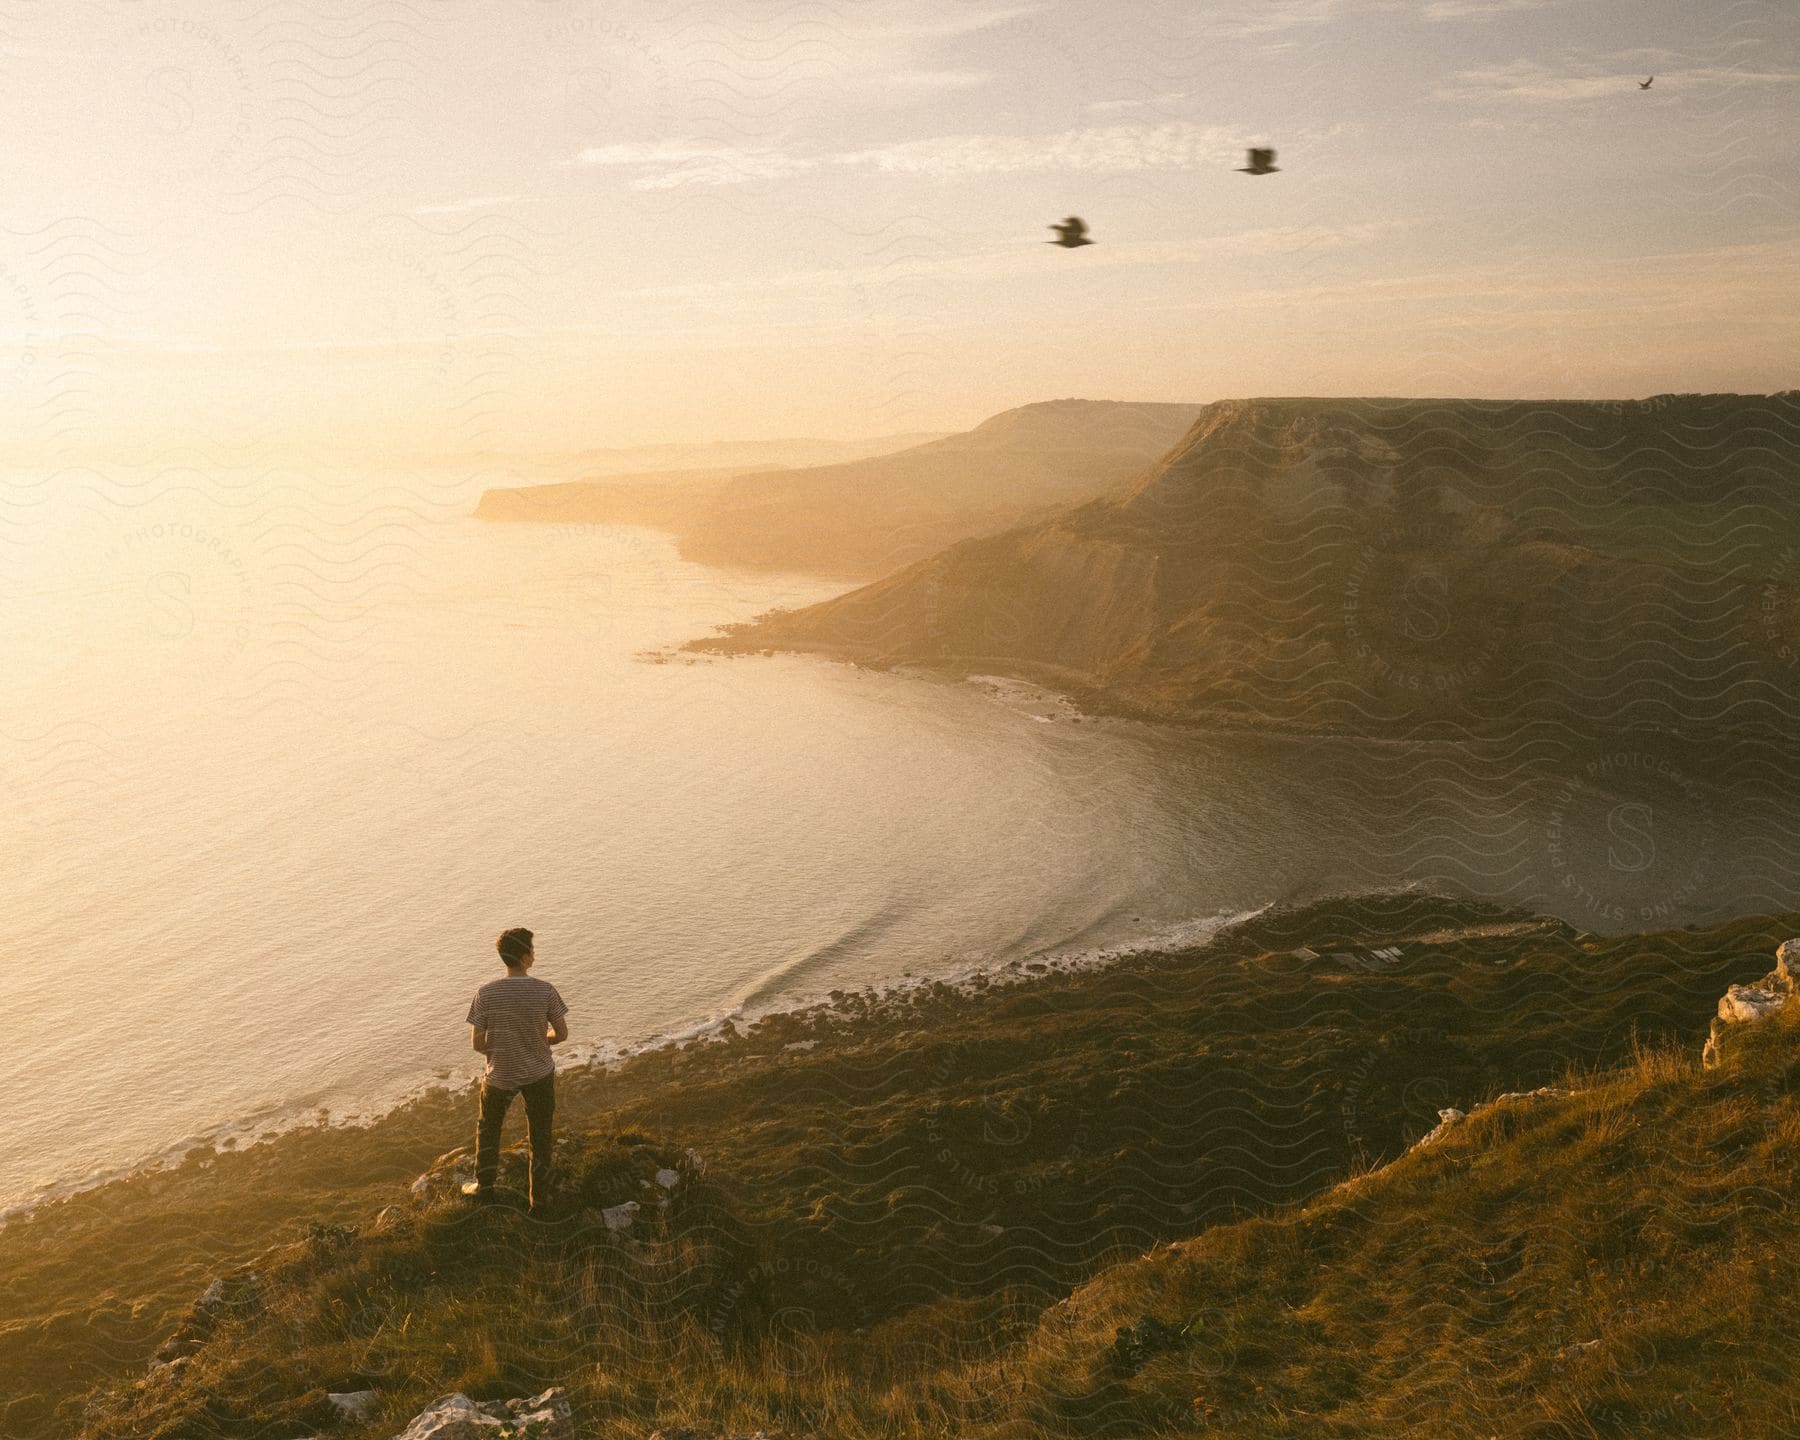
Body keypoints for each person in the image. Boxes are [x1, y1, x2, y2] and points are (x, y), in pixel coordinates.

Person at [467, 927, 569, 1213]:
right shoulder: (545, 990)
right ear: (525, 957)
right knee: (540, 1134)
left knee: (488, 1130)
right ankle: (539, 1198)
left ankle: (484, 1190)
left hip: (500, 1074)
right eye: (532, 951)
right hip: (538, 1072)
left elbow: (477, 1044)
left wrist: (502, 1048)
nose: (534, 955)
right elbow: (561, 1034)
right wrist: (539, 1039)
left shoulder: (485, 993)